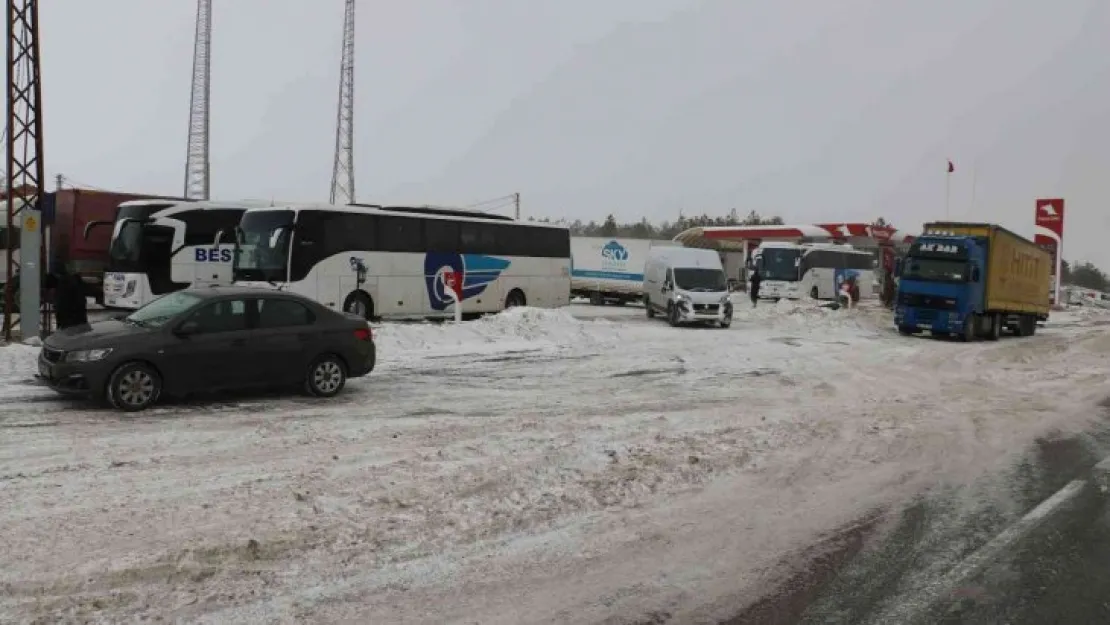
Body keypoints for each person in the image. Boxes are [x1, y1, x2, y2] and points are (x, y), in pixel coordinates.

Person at [50, 263, 87, 330]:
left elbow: (60, 303)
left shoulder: (63, 282)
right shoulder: (75, 281)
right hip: (77, 318)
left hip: (68, 319)